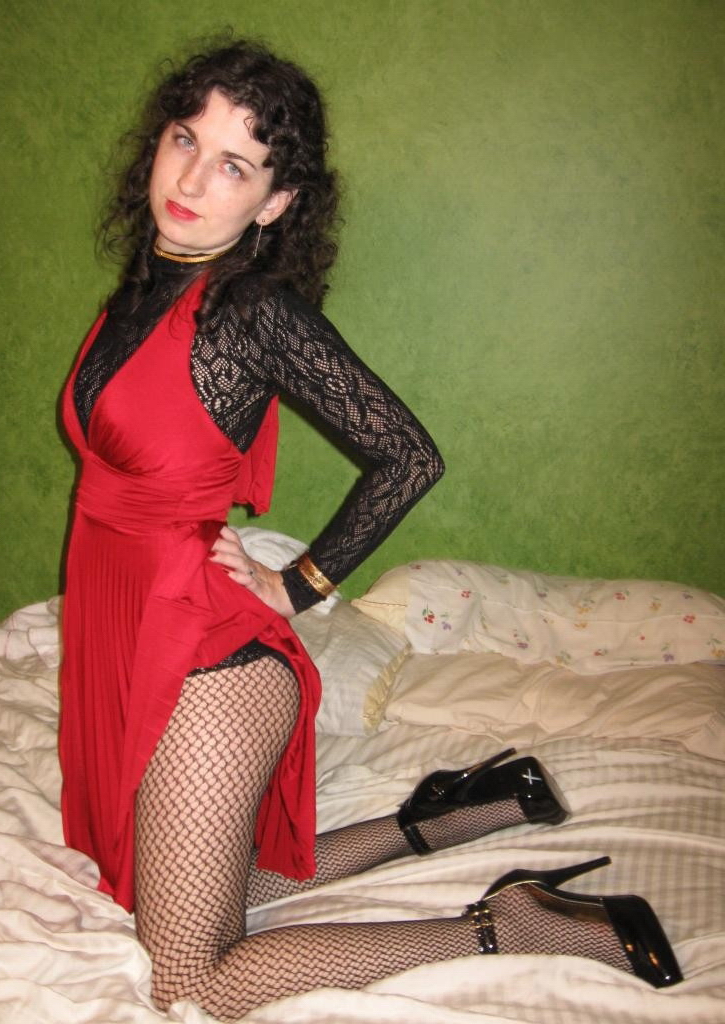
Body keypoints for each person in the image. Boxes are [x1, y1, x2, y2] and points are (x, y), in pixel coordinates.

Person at [58, 39, 681, 1020]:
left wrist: (296, 584)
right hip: (125, 637)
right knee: (170, 891)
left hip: (205, 662)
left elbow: (407, 457)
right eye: (185, 140)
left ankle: (511, 922)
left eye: (235, 165)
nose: (192, 178)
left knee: (189, 978)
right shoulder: (138, 295)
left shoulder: (247, 311)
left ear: (274, 203)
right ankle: (448, 812)